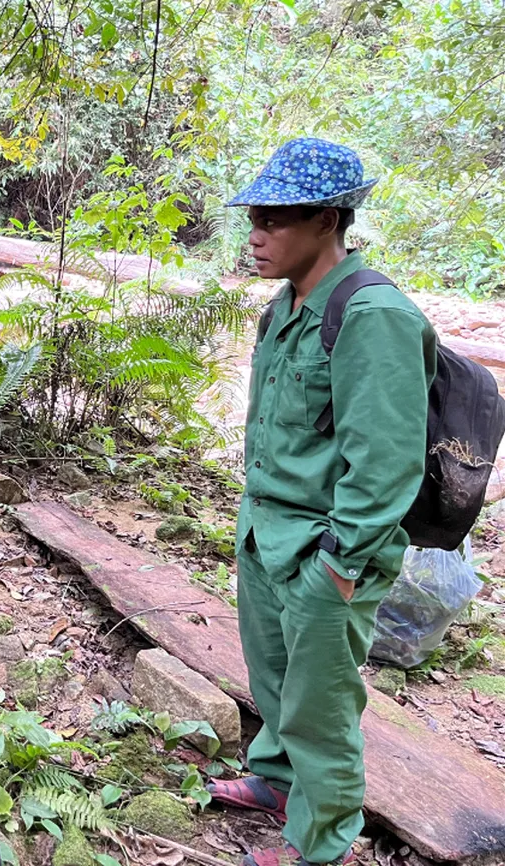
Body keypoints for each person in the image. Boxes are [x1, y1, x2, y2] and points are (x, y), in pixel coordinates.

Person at [207, 138, 437, 866]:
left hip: (327, 551)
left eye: (275, 220)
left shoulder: (373, 315)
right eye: (255, 218)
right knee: (274, 683)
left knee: (322, 709)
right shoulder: (286, 307)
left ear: (328, 221)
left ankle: (320, 842)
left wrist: (340, 563)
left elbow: (387, 459)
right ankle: (276, 782)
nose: (257, 235)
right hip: (266, 532)